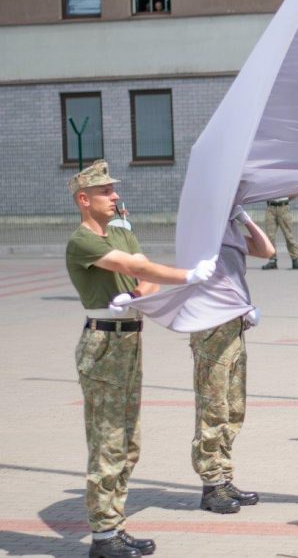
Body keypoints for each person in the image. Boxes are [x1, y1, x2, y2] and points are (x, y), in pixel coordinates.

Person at [65, 160, 216, 558]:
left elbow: (144, 277)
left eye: (114, 190)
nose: (115, 196)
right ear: (84, 199)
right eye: (105, 192)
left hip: (129, 342)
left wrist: (133, 297)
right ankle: (102, 537)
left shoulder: (119, 233)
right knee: (107, 443)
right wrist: (188, 277)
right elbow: (133, 266)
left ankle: (114, 524)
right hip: (103, 345)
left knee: (128, 443)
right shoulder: (83, 241)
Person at [192, 205, 275, 513]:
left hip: (234, 325)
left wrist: (245, 218)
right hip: (212, 327)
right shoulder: (204, 224)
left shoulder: (229, 225)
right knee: (213, 408)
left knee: (234, 407)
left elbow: (267, 250)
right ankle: (210, 485)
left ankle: (225, 477)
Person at [261, 197, 298, 270]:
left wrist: (286, 197)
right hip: (271, 207)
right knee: (270, 236)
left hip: (283, 207)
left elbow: (295, 191)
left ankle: (295, 259)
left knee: (288, 235)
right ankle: (272, 260)